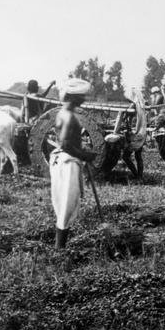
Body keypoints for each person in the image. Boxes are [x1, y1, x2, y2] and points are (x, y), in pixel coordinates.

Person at [50, 79, 97, 249]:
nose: (83, 100)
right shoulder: (69, 117)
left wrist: (82, 151)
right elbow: (65, 144)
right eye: (80, 97)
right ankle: (59, 248)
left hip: (62, 161)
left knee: (64, 203)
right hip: (67, 163)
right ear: (72, 98)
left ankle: (59, 246)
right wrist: (86, 155)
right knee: (67, 204)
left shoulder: (62, 113)